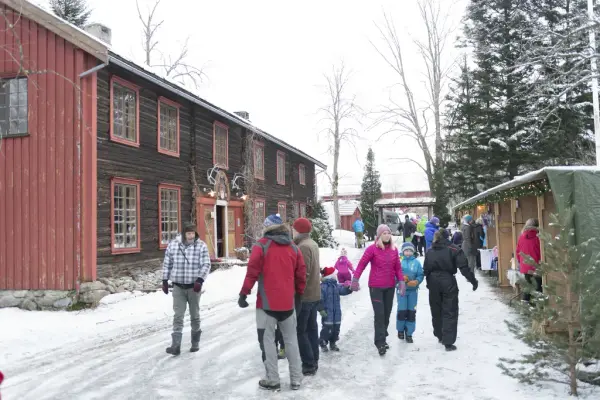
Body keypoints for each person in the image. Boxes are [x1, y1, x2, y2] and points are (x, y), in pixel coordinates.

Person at [238, 214, 306, 391]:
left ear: (266, 227)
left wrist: (244, 293)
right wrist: (299, 294)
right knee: (291, 340)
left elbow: (252, 272)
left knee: (268, 341)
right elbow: (301, 274)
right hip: (288, 303)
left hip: (266, 304)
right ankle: (296, 378)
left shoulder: (261, 246)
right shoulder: (294, 248)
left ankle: (272, 378)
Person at [351, 224, 405, 356]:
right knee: (379, 315)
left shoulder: (393, 250)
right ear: (379, 235)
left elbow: (397, 267)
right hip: (376, 287)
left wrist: (402, 281)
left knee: (386, 314)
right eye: (384, 233)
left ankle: (382, 336)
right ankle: (380, 342)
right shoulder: (372, 249)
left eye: (388, 233)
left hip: (390, 286)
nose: (387, 235)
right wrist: (355, 279)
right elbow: (362, 264)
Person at [424, 229, 478, 351]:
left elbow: (426, 268)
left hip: (433, 281)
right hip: (448, 280)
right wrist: (473, 281)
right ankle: (448, 341)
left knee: (436, 309)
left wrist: (428, 283)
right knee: (450, 309)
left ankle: (439, 335)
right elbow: (464, 267)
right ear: (447, 237)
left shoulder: (430, 250)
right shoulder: (454, 249)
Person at [162, 222, 211, 356]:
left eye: (193, 233)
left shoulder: (201, 246)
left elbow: (206, 264)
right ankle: (175, 345)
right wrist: (165, 280)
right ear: (183, 233)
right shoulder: (173, 245)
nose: (190, 236)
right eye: (188, 233)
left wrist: (200, 280)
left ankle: (195, 342)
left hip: (194, 287)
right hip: (178, 286)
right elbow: (167, 263)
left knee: (194, 315)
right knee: (178, 315)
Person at [292, 217, 322, 376]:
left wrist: (296, 292)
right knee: (311, 329)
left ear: (299, 230)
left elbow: (304, 273)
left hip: (305, 296)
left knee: (300, 330)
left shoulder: (303, 247)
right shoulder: (313, 243)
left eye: (294, 229)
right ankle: (314, 359)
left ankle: (309, 363)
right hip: (314, 294)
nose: (292, 231)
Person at [318, 266, 353, 352]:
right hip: (327, 312)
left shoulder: (336, 286)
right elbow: (319, 299)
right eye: (335, 274)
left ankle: (333, 343)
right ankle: (323, 342)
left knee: (336, 328)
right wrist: (321, 309)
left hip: (336, 312)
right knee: (327, 328)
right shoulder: (322, 287)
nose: (336, 275)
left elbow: (343, 291)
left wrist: (349, 288)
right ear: (331, 276)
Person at [396, 242, 424, 343]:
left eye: (410, 251)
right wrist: (400, 279)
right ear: (403, 252)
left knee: (411, 312)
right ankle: (400, 330)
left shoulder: (416, 262)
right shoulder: (399, 261)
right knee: (402, 310)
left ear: (413, 252)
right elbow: (393, 274)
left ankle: (409, 333)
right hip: (401, 290)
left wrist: (416, 281)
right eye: (406, 251)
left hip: (413, 291)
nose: (408, 253)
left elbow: (420, 274)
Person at [516, 218, 542, 303]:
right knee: (539, 287)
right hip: (537, 266)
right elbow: (542, 251)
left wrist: (521, 262)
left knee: (528, 285)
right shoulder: (539, 237)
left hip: (525, 266)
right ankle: (539, 305)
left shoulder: (521, 237)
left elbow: (518, 252)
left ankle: (525, 302)